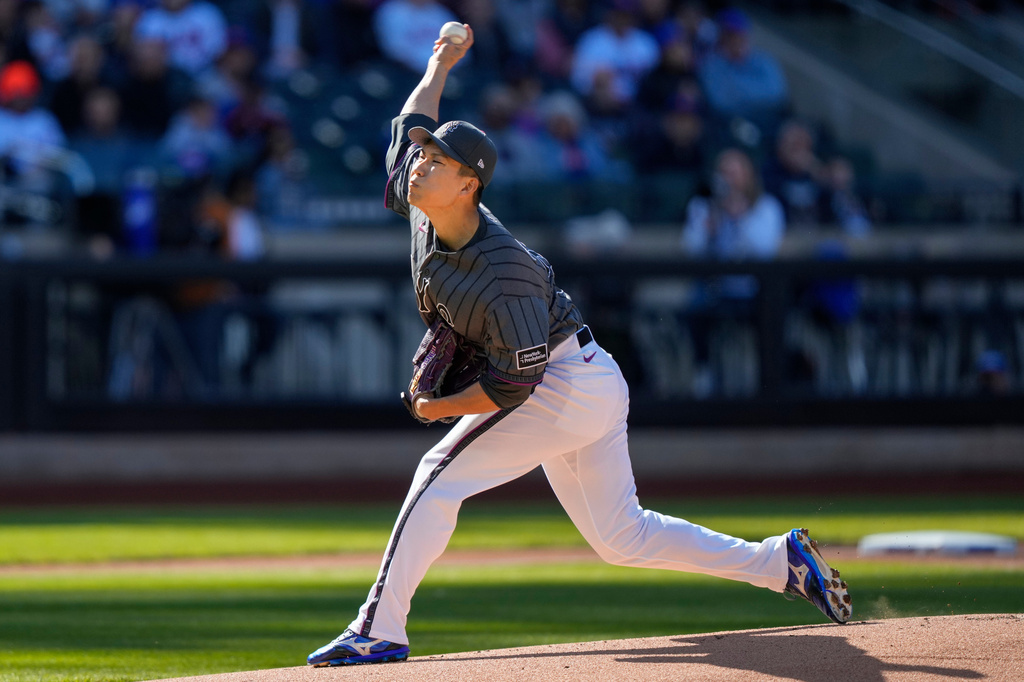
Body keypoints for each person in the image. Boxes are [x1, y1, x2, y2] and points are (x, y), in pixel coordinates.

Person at [306, 25, 852, 667]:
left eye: (435, 162)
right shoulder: (427, 203)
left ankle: (380, 627)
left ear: (469, 186)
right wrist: (439, 64)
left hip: (557, 381)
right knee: (623, 536)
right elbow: (410, 118)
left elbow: (513, 387)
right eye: (421, 157)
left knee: (437, 476)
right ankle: (779, 562)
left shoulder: (502, 274)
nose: (418, 164)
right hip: (585, 376)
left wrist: (436, 410)